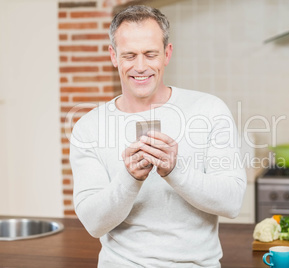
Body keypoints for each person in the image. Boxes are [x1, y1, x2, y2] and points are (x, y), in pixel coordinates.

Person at [70, 5, 246, 268]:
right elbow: (94, 224)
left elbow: (232, 202)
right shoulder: (89, 127)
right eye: (129, 55)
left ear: (167, 53)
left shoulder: (209, 110)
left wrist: (176, 170)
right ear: (113, 56)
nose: (140, 67)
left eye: (150, 54)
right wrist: (130, 178)